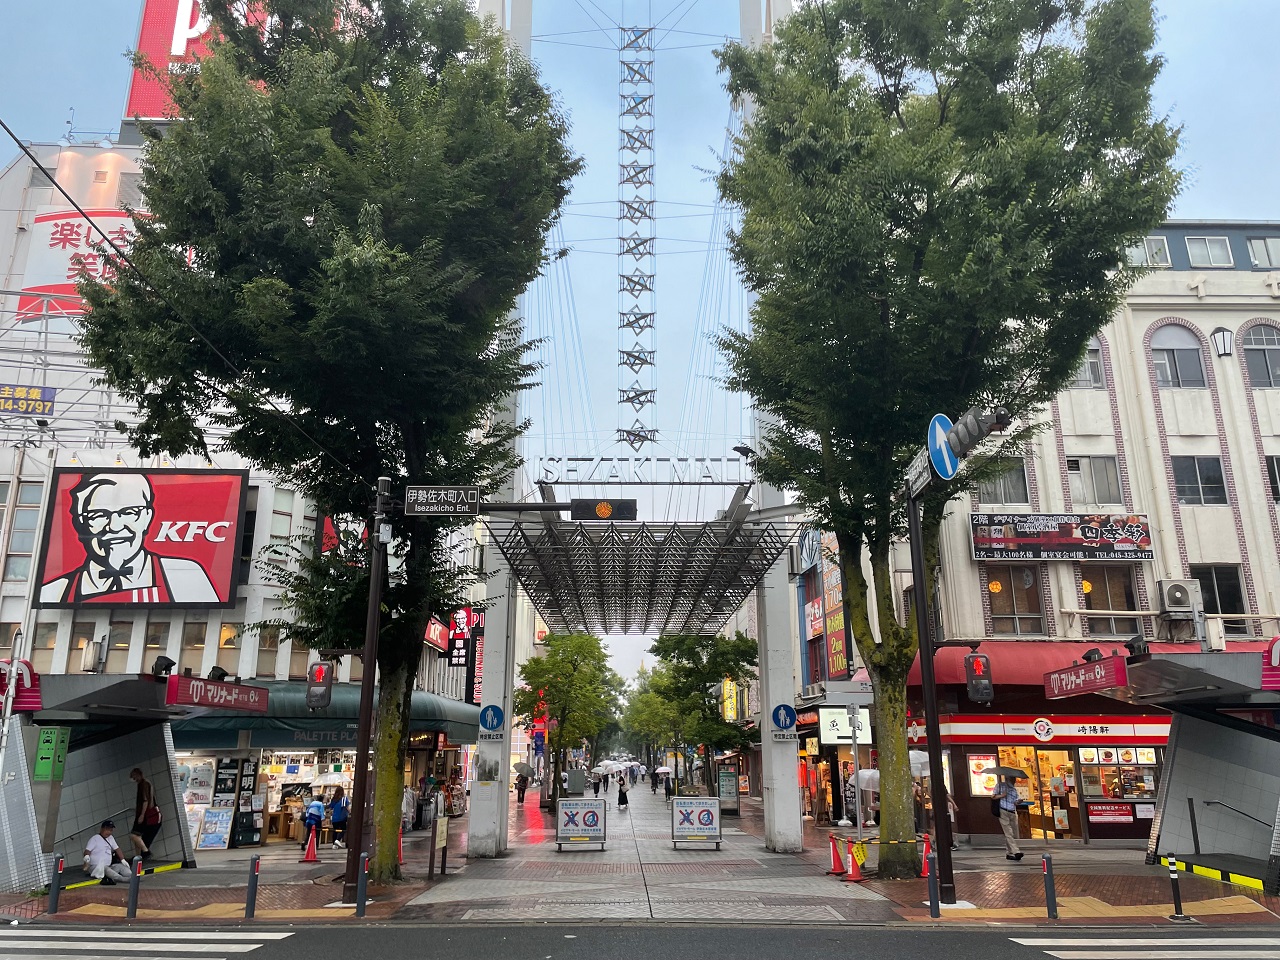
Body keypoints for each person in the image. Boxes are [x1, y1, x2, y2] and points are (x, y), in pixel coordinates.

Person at [40, 472, 220, 604]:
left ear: (147, 517)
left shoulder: (184, 575)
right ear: (80, 523)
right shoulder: (55, 591)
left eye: (129, 513)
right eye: (98, 515)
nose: (115, 526)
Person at [85, 820, 132, 885]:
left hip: (109, 866)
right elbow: (87, 851)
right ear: (102, 829)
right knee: (106, 869)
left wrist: (122, 859)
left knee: (121, 866)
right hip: (96, 868)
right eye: (107, 830)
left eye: (111, 830)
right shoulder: (94, 839)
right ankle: (121, 879)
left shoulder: (111, 838)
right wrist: (87, 856)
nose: (109, 832)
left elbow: (117, 849)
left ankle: (131, 876)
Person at [128, 767, 161, 860]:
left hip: (145, 814)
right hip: (146, 813)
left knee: (134, 835)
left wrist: (142, 815)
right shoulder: (145, 783)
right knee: (137, 836)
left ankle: (146, 852)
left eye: (133, 777)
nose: (133, 779)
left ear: (137, 775)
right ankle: (138, 857)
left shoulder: (143, 784)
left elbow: (145, 800)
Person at [994, 775, 1024, 861]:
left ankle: (1009, 853)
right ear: (1007, 778)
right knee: (1008, 832)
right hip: (1003, 811)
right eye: (1012, 779)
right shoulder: (999, 785)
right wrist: (1002, 795)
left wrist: (1018, 801)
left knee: (1012, 833)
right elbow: (993, 796)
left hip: (1012, 812)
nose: (1014, 781)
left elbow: (1015, 802)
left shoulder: (1014, 790)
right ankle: (1016, 851)